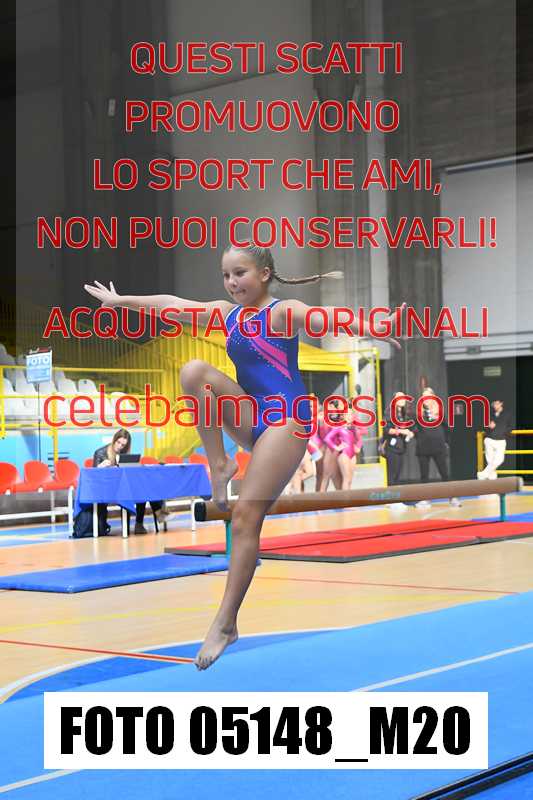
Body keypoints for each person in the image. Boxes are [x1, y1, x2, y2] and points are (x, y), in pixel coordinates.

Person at [84, 246, 403, 669]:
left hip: (288, 420)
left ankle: (226, 622)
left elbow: (325, 318)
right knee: (193, 371)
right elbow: (172, 304)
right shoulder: (227, 315)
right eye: (226, 275)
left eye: (240, 273)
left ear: (265, 273)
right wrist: (120, 301)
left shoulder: (282, 311)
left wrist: (371, 326)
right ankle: (220, 463)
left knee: (245, 518)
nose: (232, 282)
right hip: (252, 416)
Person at [92, 428, 167, 534]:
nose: (119, 446)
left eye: (123, 445)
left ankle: (140, 524)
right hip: (107, 487)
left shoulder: (124, 454)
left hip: (122, 486)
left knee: (143, 487)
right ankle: (158, 514)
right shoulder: (100, 452)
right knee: (140, 488)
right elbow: (93, 475)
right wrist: (101, 466)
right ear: (114, 440)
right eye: (118, 442)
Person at [477, 399, 512, 480]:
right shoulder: (490, 414)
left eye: (496, 404)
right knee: (490, 461)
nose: (495, 406)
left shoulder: (507, 414)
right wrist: (488, 426)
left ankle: (483, 474)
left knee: (499, 460)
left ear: (501, 403)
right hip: (489, 440)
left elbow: (511, 427)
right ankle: (492, 480)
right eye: (493, 404)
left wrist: (502, 432)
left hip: (501, 440)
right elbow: (482, 427)